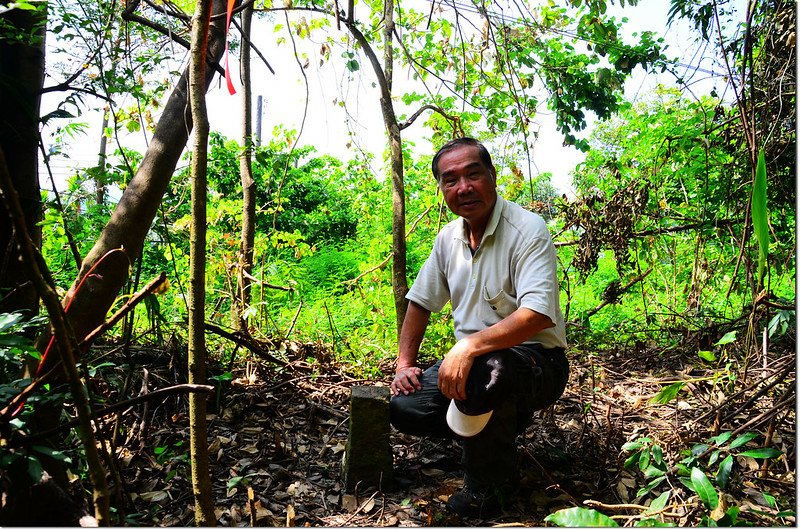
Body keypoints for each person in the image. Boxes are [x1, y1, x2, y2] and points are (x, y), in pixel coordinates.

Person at [389, 137, 569, 518]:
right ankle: (496, 428)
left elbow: (537, 314)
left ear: (492, 176)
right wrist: (405, 362)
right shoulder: (448, 239)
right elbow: (420, 301)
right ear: (442, 189)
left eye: (473, 174)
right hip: (474, 364)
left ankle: (489, 487)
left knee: (490, 370)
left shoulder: (526, 229)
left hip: (537, 361)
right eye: (450, 179)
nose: (463, 187)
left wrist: (468, 347)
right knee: (407, 407)